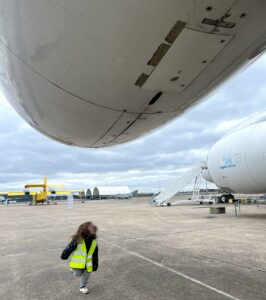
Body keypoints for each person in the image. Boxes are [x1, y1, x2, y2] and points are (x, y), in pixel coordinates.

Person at [61, 222, 98, 294]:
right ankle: (72, 270)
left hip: (88, 264)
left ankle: (82, 286)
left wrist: (95, 264)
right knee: (78, 274)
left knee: (86, 276)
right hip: (77, 264)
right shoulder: (77, 240)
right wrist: (64, 255)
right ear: (85, 230)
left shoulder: (94, 242)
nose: (94, 228)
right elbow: (69, 248)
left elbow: (95, 254)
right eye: (91, 227)